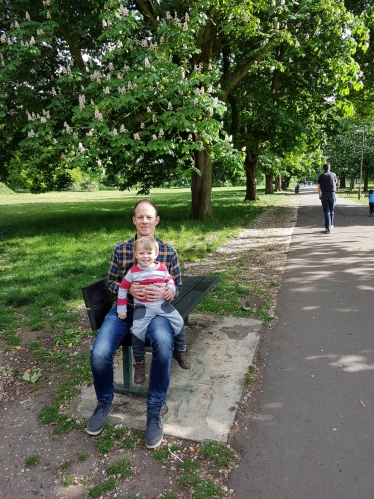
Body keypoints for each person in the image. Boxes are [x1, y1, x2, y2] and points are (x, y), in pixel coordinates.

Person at [87, 199, 189, 449]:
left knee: (164, 345)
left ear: (156, 220)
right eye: (139, 217)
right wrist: (128, 288)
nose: (144, 221)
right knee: (99, 354)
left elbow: (177, 283)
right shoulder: (121, 250)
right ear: (134, 220)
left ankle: (154, 412)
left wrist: (167, 293)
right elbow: (111, 282)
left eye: (149, 217)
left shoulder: (168, 252)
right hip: (124, 311)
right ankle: (104, 403)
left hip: (155, 314)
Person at [117, 235, 190, 385]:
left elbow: (171, 281)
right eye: (142, 253)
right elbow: (122, 289)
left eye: (149, 253)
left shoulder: (162, 268)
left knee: (178, 321)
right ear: (136, 255)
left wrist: (170, 289)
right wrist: (122, 309)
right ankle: (139, 362)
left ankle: (180, 350)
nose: (145, 256)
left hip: (163, 305)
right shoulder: (133, 272)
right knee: (136, 331)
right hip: (143, 308)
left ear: (156, 254)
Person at [317, 163, 337, 234]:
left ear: (323, 168)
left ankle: (327, 226)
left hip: (324, 194)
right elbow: (335, 184)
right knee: (331, 210)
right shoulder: (334, 175)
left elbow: (319, 186)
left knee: (326, 211)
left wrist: (320, 195)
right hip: (332, 194)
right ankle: (331, 225)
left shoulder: (321, 176)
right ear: (329, 168)